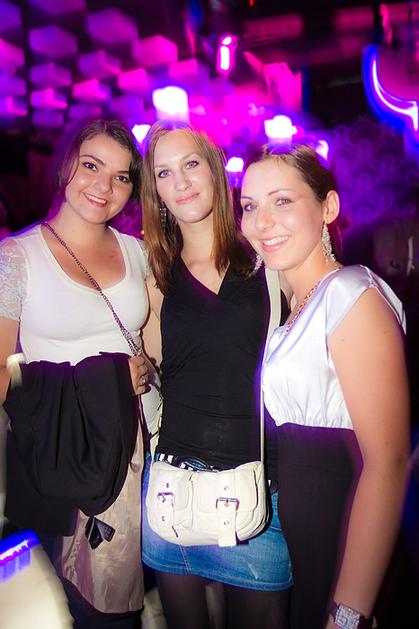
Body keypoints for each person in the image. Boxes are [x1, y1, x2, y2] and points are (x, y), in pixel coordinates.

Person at [239, 143, 410, 629]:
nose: (262, 221)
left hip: (350, 555)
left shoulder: (351, 294)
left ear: (328, 207)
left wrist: (349, 612)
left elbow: (388, 464)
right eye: (249, 206)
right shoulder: (297, 307)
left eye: (282, 201)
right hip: (312, 552)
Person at [0, 118, 160, 628]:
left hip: (149, 448)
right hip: (72, 451)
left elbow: (157, 348)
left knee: (145, 594)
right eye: (91, 166)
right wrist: (105, 380)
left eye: (121, 176)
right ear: (65, 164)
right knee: (94, 609)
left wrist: (149, 369)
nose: (103, 186)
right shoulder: (16, 258)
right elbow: (2, 374)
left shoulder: (137, 252)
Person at [140, 120, 292, 629]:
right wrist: (137, 370)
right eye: (164, 172)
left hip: (255, 491)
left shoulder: (266, 255)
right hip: (172, 488)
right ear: (155, 191)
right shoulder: (156, 272)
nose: (180, 182)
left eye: (190, 164)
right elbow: (158, 368)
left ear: (215, 168)